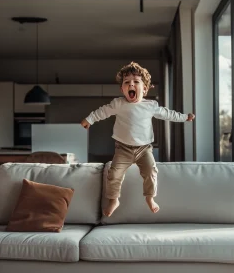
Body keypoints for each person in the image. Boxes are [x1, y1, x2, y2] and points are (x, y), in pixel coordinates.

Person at [81, 61, 195, 217]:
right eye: (127, 83)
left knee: (150, 171)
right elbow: (103, 111)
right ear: (122, 89)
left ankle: (150, 198)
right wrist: (89, 119)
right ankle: (114, 199)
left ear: (145, 89)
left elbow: (168, 114)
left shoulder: (150, 106)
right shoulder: (118, 104)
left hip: (144, 149)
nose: (131, 85)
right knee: (114, 174)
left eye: (136, 82)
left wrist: (184, 117)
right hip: (123, 148)